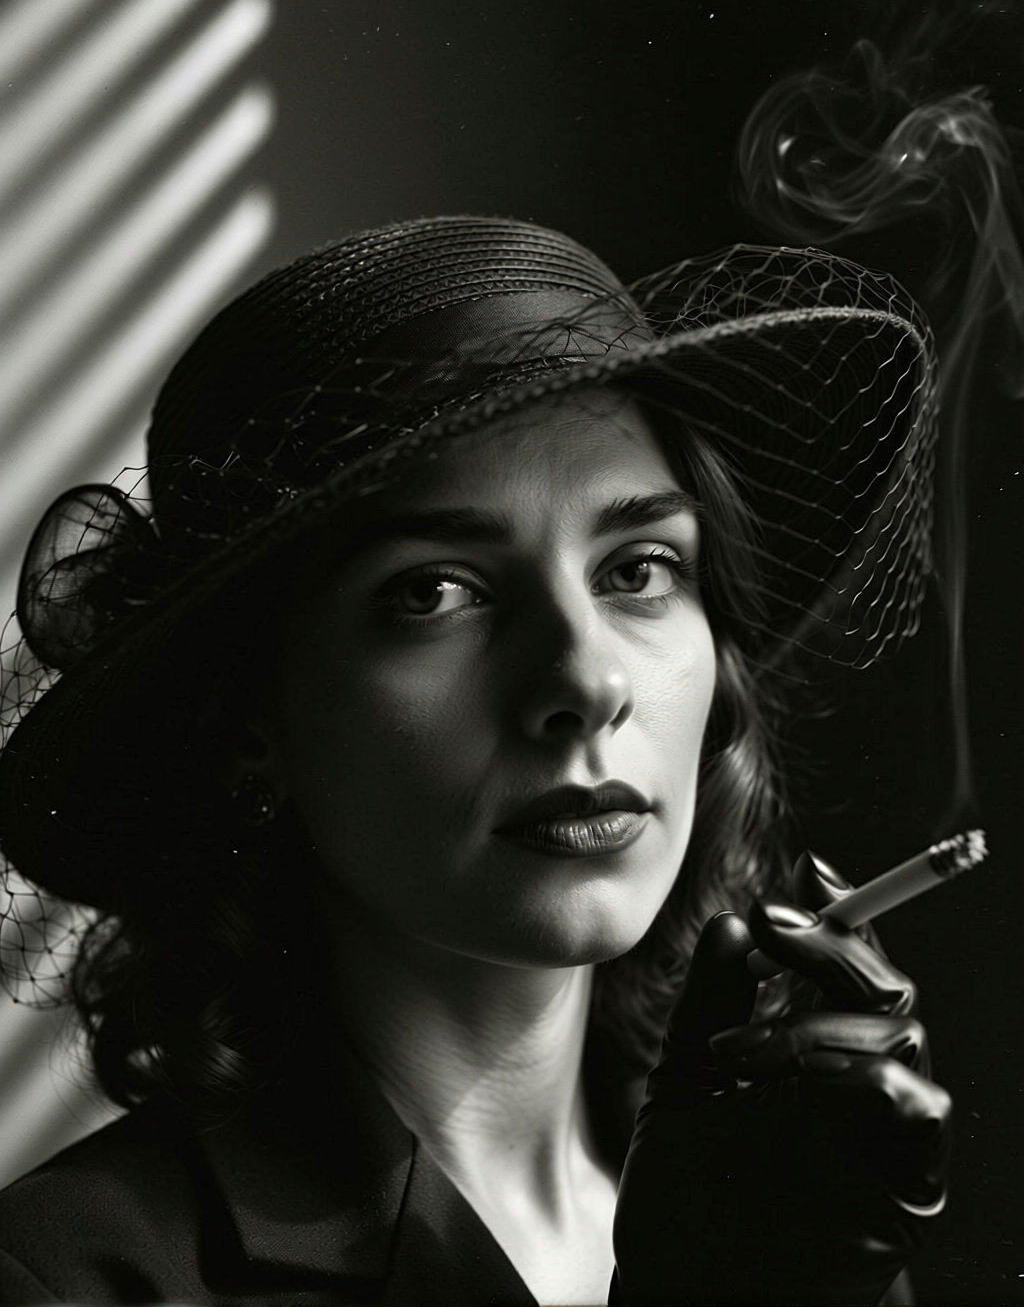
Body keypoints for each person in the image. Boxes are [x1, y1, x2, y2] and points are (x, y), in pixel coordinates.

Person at [0, 215, 950, 1305]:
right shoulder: (71, 1279)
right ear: (248, 717)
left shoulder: (784, 1228)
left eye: (640, 568)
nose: (587, 683)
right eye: (433, 592)